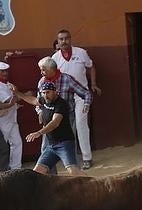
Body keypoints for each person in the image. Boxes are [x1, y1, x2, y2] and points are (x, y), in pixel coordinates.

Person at [52, 29, 102, 170]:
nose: (64, 41)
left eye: (66, 38)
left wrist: (93, 84)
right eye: (61, 39)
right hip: (64, 97)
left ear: (70, 39)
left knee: (81, 124)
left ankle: (87, 157)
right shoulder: (55, 58)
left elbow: (91, 67)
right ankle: (70, 158)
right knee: (66, 127)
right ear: (58, 41)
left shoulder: (81, 53)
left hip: (81, 95)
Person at [20, 82, 80, 175]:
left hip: (64, 144)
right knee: (37, 173)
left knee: (73, 171)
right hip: (51, 146)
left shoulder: (61, 104)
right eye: (43, 93)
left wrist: (39, 133)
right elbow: (33, 100)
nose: (45, 95)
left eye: (48, 92)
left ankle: (96, 185)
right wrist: (17, 93)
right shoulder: (44, 100)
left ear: (55, 92)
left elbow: (55, 123)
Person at [0, 62, 22, 172]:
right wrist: (20, 94)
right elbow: (9, 101)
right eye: (2, 71)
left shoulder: (5, 83)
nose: (5, 73)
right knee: (0, 147)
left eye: (6, 70)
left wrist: (17, 95)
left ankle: (15, 168)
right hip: (2, 120)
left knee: (17, 143)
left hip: (11, 118)